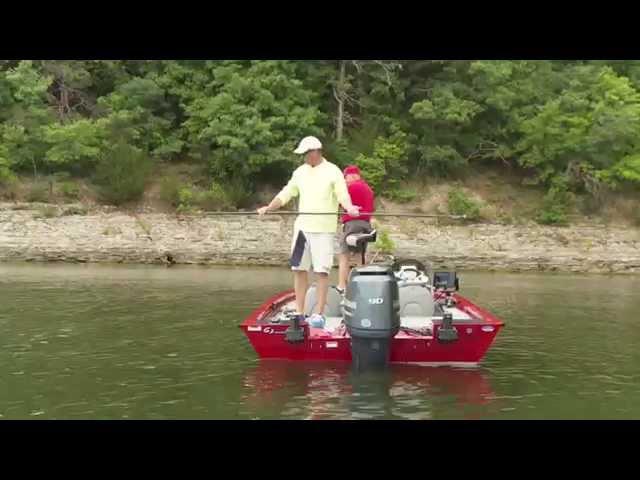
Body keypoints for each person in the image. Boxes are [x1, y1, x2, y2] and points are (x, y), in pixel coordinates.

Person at [257, 136, 360, 330]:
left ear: (316, 152)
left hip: (323, 230)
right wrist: (269, 207)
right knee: (298, 268)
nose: (304, 158)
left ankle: (319, 314)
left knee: (321, 271)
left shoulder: (333, 171)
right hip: (302, 229)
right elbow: (286, 193)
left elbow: (342, 195)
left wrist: (350, 208)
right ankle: (300, 311)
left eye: (306, 154)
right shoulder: (300, 172)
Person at [336, 165, 375, 294]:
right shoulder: (368, 188)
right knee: (359, 256)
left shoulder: (351, 187)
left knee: (344, 255)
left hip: (352, 223)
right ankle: (361, 286)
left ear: (353, 175)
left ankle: (342, 286)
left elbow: (340, 201)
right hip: (366, 224)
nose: (345, 180)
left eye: (346, 177)